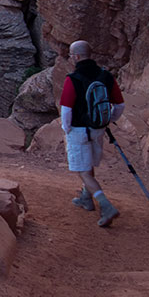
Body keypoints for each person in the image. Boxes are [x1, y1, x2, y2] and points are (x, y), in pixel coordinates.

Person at [60, 40, 126, 227]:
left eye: (72, 55)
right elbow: (120, 104)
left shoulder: (73, 79)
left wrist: (67, 129)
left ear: (77, 56)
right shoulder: (105, 76)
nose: (71, 58)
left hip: (79, 129)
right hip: (98, 128)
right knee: (88, 163)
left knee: (82, 171)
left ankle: (105, 205)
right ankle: (85, 198)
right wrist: (109, 120)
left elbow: (66, 110)